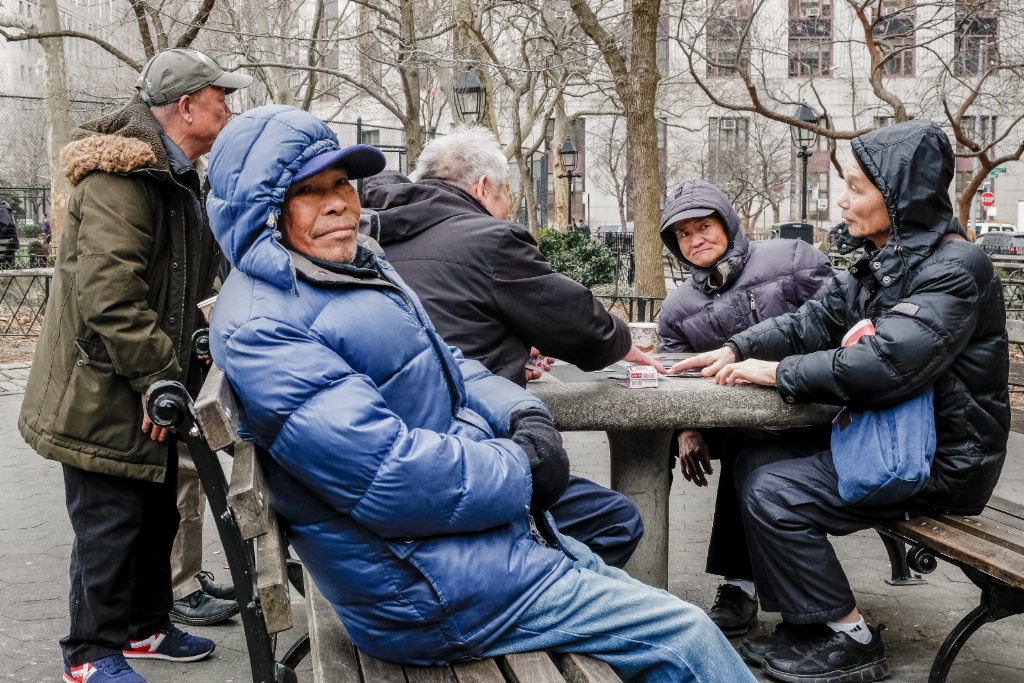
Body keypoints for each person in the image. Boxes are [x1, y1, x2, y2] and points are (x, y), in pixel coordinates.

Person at [204, 105, 757, 683]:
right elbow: (392, 477)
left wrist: (521, 409)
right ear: (263, 210)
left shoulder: (337, 271)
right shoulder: (270, 324)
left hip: (449, 554)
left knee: (618, 562)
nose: (340, 200)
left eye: (342, 182)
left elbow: (449, 363)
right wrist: (520, 467)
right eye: (310, 191)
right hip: (428, 593)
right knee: (689, 636)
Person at [675, 120, 1009, 683]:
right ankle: (811, 623)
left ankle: (852, 637)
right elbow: (815, 321)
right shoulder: (885, 259)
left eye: (856, 187)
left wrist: (777, 372)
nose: (843, 200)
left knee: (774, 490)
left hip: (942, 462)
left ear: (900, 194)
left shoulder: (955, 268)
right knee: (754, 453)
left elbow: (887, 364)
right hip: (895, 441)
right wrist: (734, 347)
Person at [18, 48, 251, 683]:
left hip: (145, 384)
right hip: (101, 392)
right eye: (220, 100)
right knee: (110, 526)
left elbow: (179, 286)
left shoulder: (175, 178)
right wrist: (159, 379)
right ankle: (91, 656)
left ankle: (145, 627)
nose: (227, 111)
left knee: (156, 513)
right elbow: (110, 296)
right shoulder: (122, 181)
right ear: (186, 107)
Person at [361, 125, 665, 568]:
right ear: (484, 187)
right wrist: (622, 342)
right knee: (616, 520)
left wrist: (510, 349)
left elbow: (449, 324)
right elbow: (579, 323)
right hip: (463, 458)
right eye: (507, 198)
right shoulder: (490, 238)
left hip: (383, 460)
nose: (507, 213)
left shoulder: (371, 238)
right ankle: (527, 604)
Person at [657, 180, 834, 638]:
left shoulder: (791, 259)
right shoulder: (678, 308)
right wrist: (684, 428)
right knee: (649, 438)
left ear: (728, 224)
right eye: (683, 234)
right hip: (732, 411)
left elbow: (837, 328)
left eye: (704, 226)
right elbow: (675, 371)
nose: (695, 239)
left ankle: (739, 585)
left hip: (809, 404)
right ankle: (640, 572)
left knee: (745, 445)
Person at [0, 200, 17, 268]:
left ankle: (8, 265)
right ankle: (10, 265)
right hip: (11, 238)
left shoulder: (2, 211)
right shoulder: (7, 212)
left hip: (5, 236)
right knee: (9, 253)